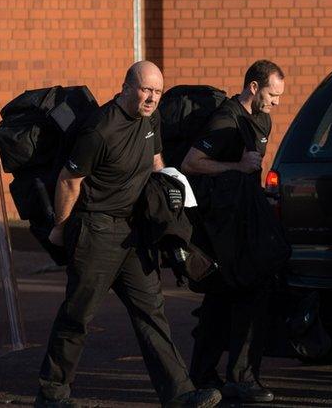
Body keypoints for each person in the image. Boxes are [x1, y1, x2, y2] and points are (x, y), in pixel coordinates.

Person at [37, 61, 220, 408]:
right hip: (97, 230)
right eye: (145, 90)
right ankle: (52, 393)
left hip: (133, 233)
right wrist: (61, 228)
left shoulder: (151, 119)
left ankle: (179, 393)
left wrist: (167, 187)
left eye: (157, 92)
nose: (151, 98)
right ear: (125, 87)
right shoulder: (99, 130)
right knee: (78, 315)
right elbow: (68, 180)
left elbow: (154, 159)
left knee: (151, 310)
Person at [181, 60, 285, 404]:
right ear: (253, 87)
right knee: (248, 293)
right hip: (223, 223)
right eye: (272, 94)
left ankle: (203, 373)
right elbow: (191, 163)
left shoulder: (262, 119)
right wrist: (236, 167)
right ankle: (240, 378)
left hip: (246, 215)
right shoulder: (225, 119)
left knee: (223, 297)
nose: (276, 102)